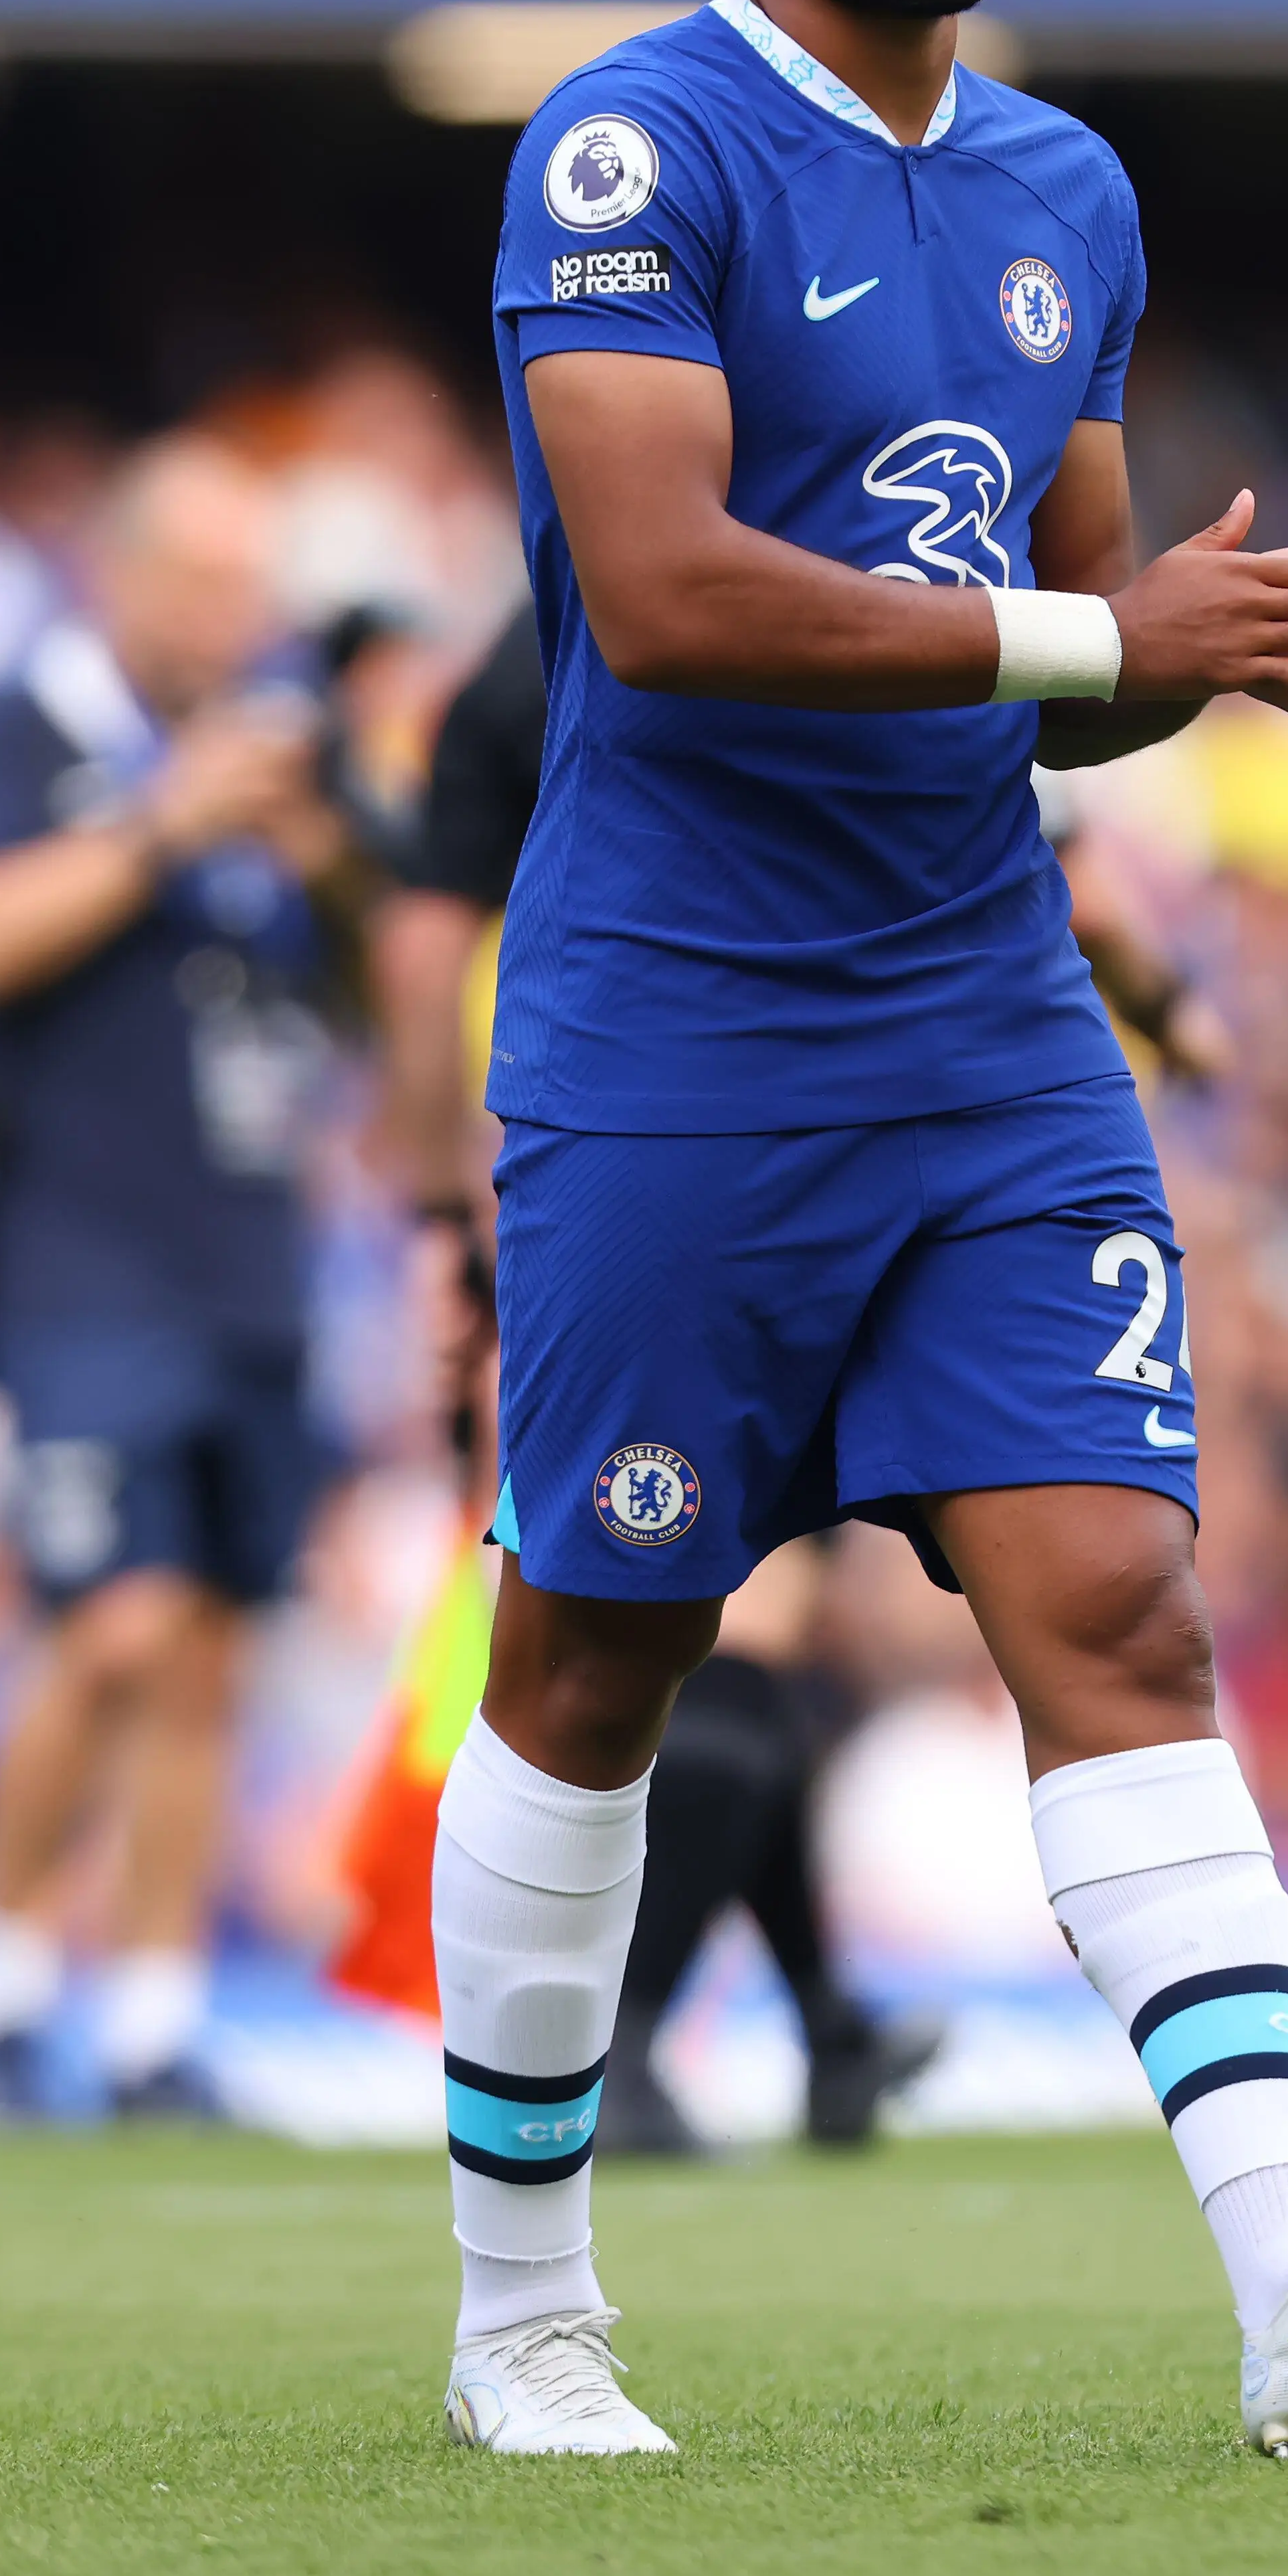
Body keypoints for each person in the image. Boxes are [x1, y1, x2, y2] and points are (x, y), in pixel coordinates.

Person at [433, 0, 1288, 2464]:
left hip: (976, 1026)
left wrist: (1224, 641)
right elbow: (674, 599)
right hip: (679, 1030)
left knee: (1114, 1600)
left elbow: (1073, 661)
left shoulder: (1057, 186)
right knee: (598, 1648)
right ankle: (520, 2313)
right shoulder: (628, 154)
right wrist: (1114, 617)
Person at [374, 603, 940, 2153]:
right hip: (686, 1157)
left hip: (642, 1161)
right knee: (673, 1623)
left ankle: (815, 2029)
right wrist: (453, 1219)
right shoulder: (804, 593)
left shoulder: (531, 643)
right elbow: (426, 944)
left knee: (729, 1621)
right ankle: (608, 2045)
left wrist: (447, 1210)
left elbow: (426, 942)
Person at [0, 438, 363, 2118]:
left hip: (249, 1255)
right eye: (209, 580)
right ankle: (2, 1981)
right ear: (122, 575)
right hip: (78, 1252)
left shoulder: (272, 752)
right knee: (111, 1623)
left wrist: (320, 848)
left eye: (252, 584)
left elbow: (361, 998)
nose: (239, 616)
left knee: (210, 1652)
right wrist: (161, 826)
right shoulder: (23, 730)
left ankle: (156, 2019)